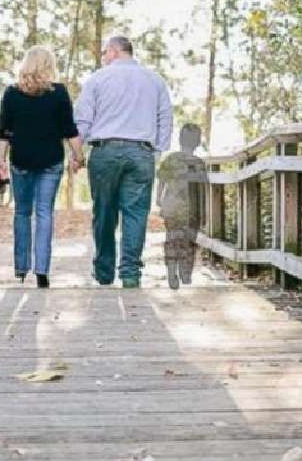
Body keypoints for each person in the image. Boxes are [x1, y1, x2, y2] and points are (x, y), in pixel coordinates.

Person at [73, 35, 174, 289]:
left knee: (104, 211)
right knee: (136, 213)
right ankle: (130, 273)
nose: (104, 58)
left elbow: (82, 121)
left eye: (105, 52)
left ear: (116, 51)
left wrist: (76, 154)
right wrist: (157, 152)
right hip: (141, 152)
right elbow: (165, 118)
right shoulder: (155, 80)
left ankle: (105, 273)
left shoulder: (97, 79)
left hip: (105, 152)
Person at [0, 46, 83, 288]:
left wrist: (1, 159)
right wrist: (79, 156)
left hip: (21, 161)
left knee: (22, 213)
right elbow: (70, 130)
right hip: (50, 162)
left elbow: (5, 132)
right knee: (44, 213)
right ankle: (42, 271)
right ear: (48, 66)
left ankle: (21, 267)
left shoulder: (11, 94)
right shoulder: (59, 93)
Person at [155, 124, 206, 289]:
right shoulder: (199, 163)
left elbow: (161, 180)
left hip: (172, 206)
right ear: (198, 142)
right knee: (189, 240)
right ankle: (186, 273)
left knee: (171, 239)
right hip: (192, 209)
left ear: (179, 139)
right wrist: (203, 211)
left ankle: (171, 271)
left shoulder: (170, 159)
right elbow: (202, 189)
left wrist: (158, 199)